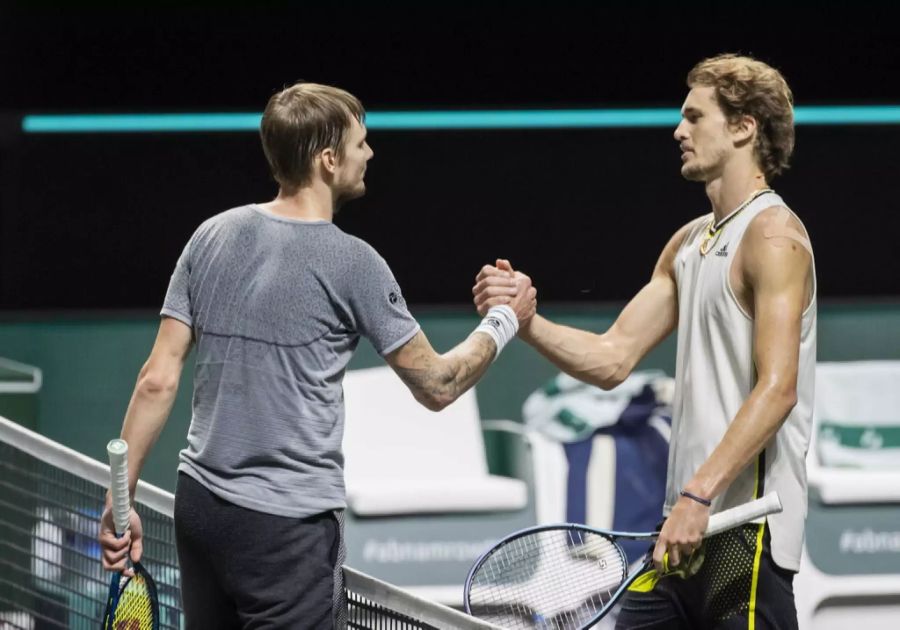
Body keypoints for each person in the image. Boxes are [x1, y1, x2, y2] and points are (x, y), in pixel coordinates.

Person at [98, 81, 536, 629]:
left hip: (200, 510)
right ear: (329, 160)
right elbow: (438, 385)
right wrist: (503, 322)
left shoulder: (209, 236)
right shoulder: (355, 263)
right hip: (286, 531)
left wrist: (122, 499)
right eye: (360, 143)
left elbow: (155, 381)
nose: (369, 153)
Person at [474, 54, 814, 629]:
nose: (678, 131)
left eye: (694, 117)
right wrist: (526, 321)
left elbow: (778, 389)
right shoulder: (687, 243)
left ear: (742, 127)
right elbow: (611, 359)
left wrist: (699, 496)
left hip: (745, 531)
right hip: (681, 530)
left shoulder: (775, 236)